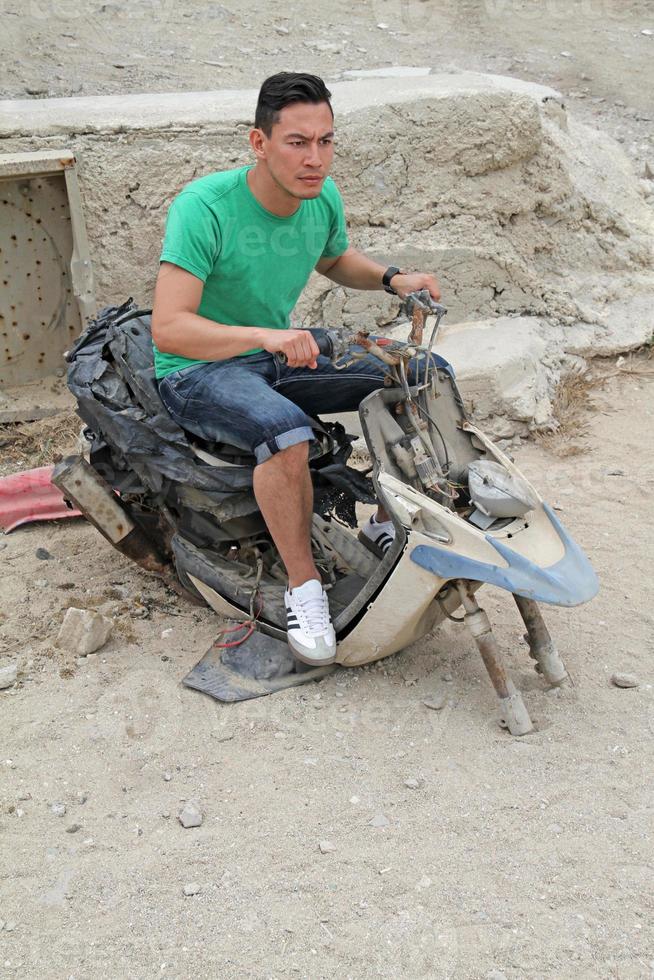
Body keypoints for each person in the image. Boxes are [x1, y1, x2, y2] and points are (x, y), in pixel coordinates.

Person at [152, 72, 440, 668]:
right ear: (258, 143)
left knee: (421, 371)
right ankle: (304, 590)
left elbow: (334, 257)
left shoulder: (321, 195)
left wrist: (392, 278)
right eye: (297, 143)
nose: (315, 159)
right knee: (287, 435)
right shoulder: (203, 207)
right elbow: (170, 328)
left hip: (280, 352)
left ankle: (392, 526)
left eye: (326, 141)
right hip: (197, 368)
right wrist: (266, 335)